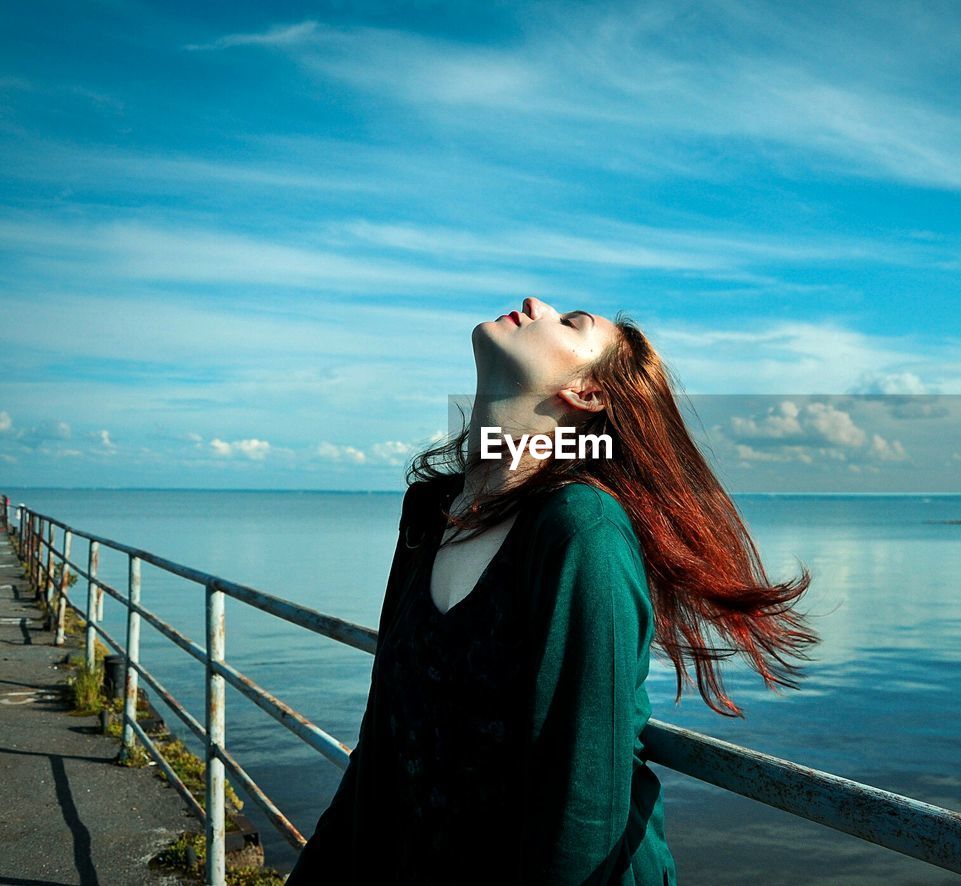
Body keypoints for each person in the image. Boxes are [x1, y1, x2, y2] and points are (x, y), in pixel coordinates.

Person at [288, 297, 820, 884]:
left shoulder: (580, 530)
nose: (534, 303)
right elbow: (383, 736)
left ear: (588, 394)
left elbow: (582, 803)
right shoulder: (429, 513)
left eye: (572, 323)